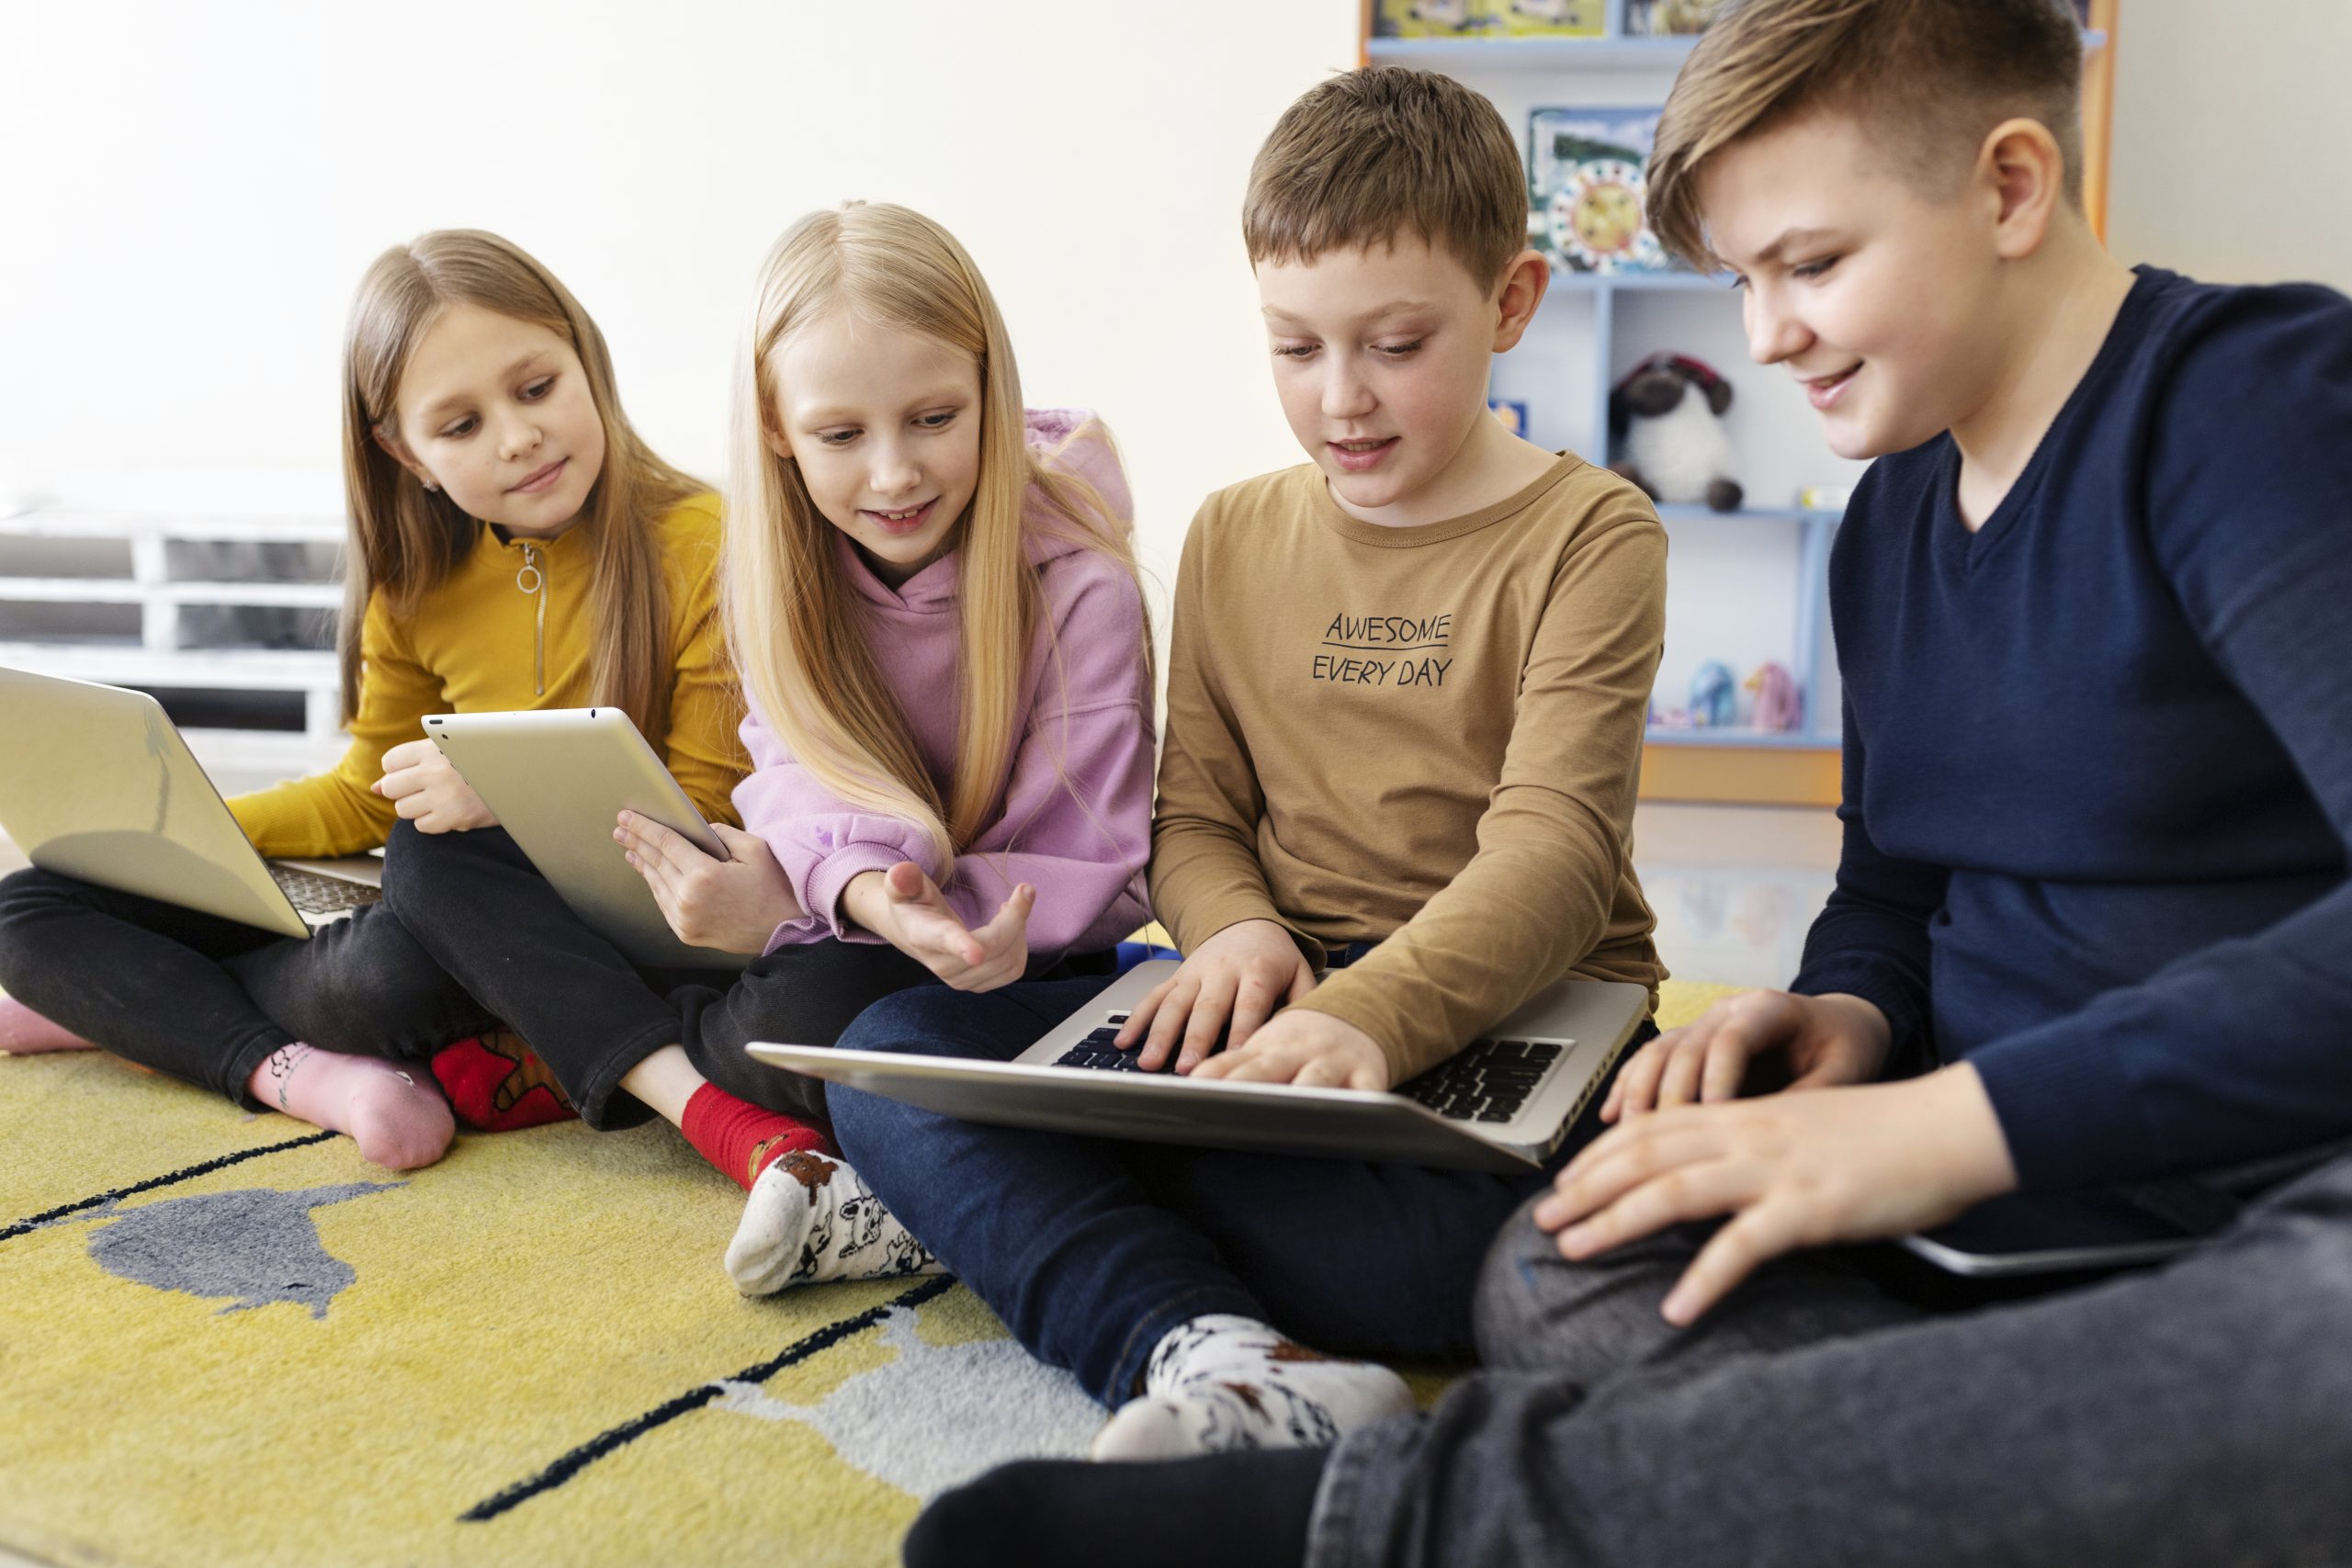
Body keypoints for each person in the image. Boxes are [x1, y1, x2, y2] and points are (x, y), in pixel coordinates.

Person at [907, 1, 2352, 1562]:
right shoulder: (1892, 525)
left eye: (1808, 263)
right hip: (1971, 1222)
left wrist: (1945, 1127)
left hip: (2245, 1204)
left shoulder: (2256, 406)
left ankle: (1395, 1525)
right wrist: (1846, 1016)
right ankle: (2048, 1467)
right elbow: (1895, 885)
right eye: (1744, 281)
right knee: (1559, 1263)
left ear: (2009, 188)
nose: (1765, 334)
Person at [806, 65, 1667, 1461]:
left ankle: (1014, 1217)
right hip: (1265, 999)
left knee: (1444, 1267)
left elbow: (1556, 856)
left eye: (1395, 344)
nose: (1342, 399)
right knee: (886, 1061)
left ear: (1510, 303)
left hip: (1513, 1016)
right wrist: (1245, 932)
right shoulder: (1228, 530)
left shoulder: (1593, 532)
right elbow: (1194, 815)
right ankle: (1208, 1349)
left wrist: (1368, 1020)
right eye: (1296, 347)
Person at [384, 203, 1156, 1287]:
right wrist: (827, 893)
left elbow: (1087, 851)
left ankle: (577, 1043)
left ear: (994, 395)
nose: (893, 475)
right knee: (429, 859)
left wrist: (839, 906)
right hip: (833, 914)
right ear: (780, 427)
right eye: (842, 435)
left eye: (934, 417)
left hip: (993, 955)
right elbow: (787, 770)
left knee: (819, 1016)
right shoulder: (768, 561)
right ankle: (691, 1091)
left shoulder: (1082, 579)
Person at [0, 229, 745, 1172]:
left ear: (585, 362)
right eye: (461, 425)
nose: (518, 438)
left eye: (535, 388)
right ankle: (284, 1061)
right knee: (29, 906)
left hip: (563, 930)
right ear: (409, 454)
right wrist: (171, 840)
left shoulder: (706, 544)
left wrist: (514, 800)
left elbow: (711, 815)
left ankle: (141, 1008)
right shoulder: (418, 579)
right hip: (429, 909)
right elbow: (364, 793)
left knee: (378, 974)